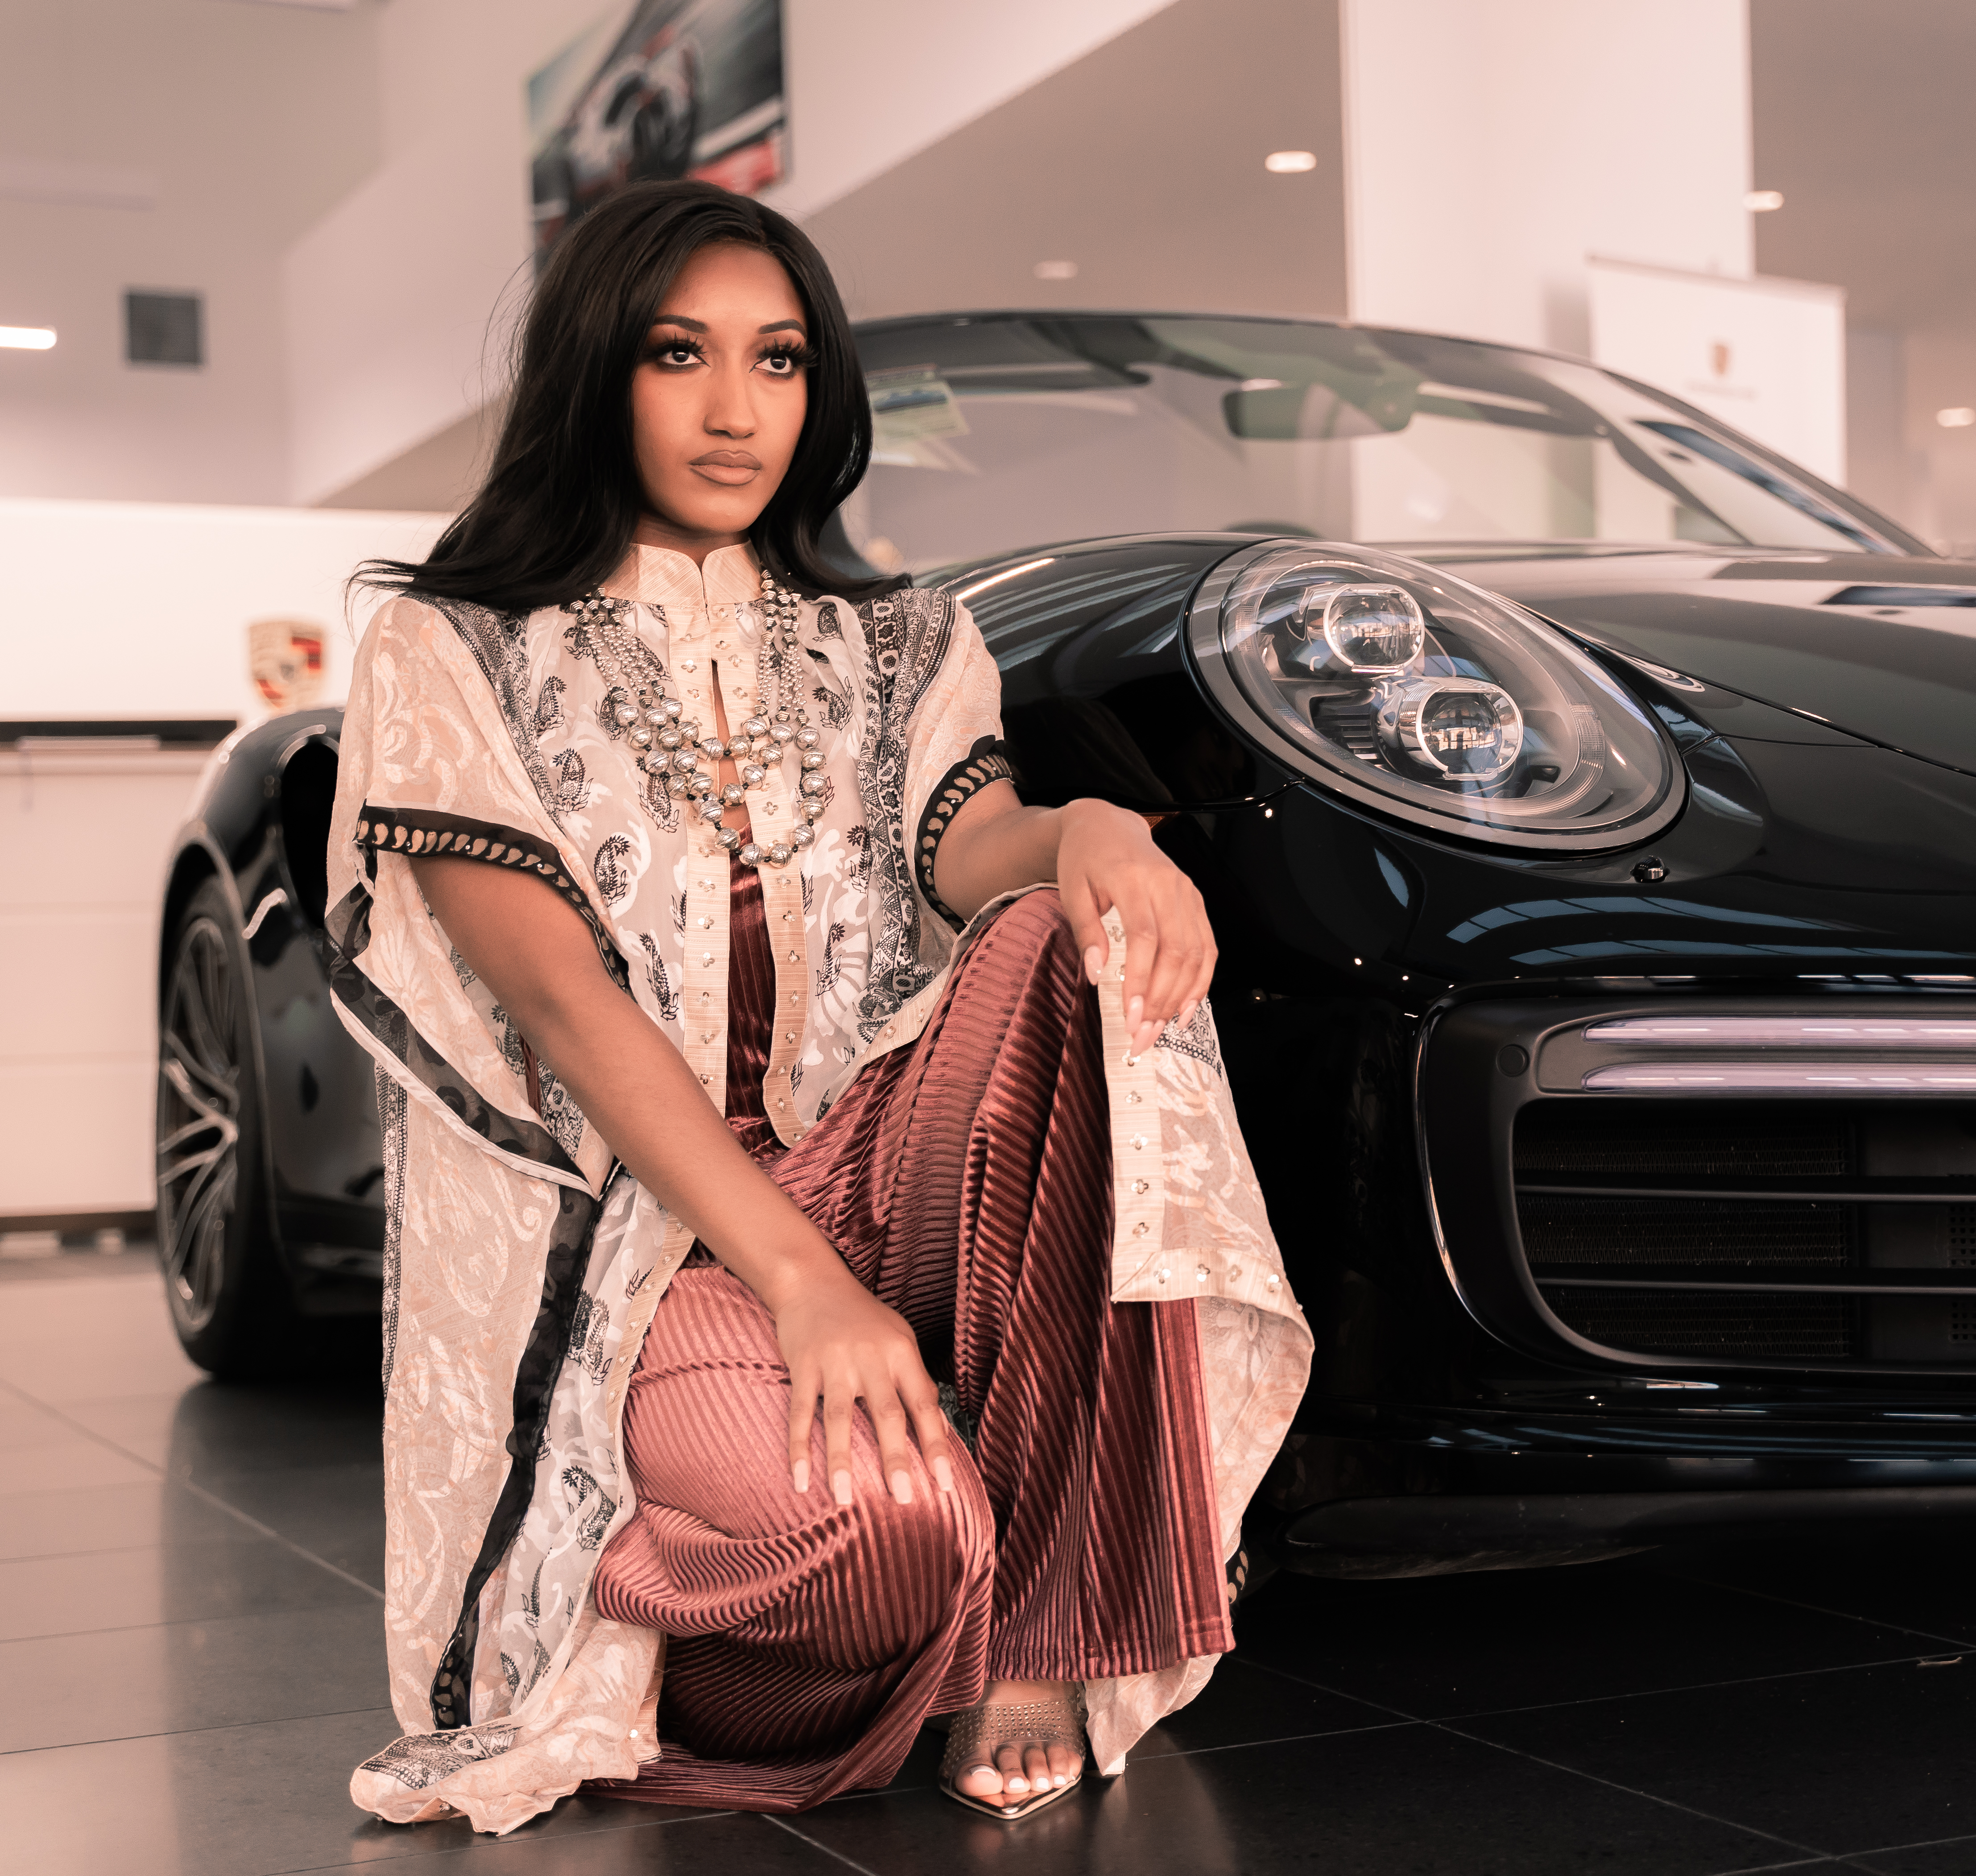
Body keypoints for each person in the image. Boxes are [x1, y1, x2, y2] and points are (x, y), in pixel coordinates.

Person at [328, 178, 1309, 1835]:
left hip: (874, 1158)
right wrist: (803, 1290)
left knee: (1079, 951)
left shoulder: (906, 641)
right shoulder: (453, 650)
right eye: (678, 355)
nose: (735, 410)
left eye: (778, 361)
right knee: (883, 1534)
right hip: (650, 1241)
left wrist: (1091, 833)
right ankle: (781, 1603)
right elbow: (564, 1008)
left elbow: (962, 852)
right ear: (596, 375)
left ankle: (1042, 1629)